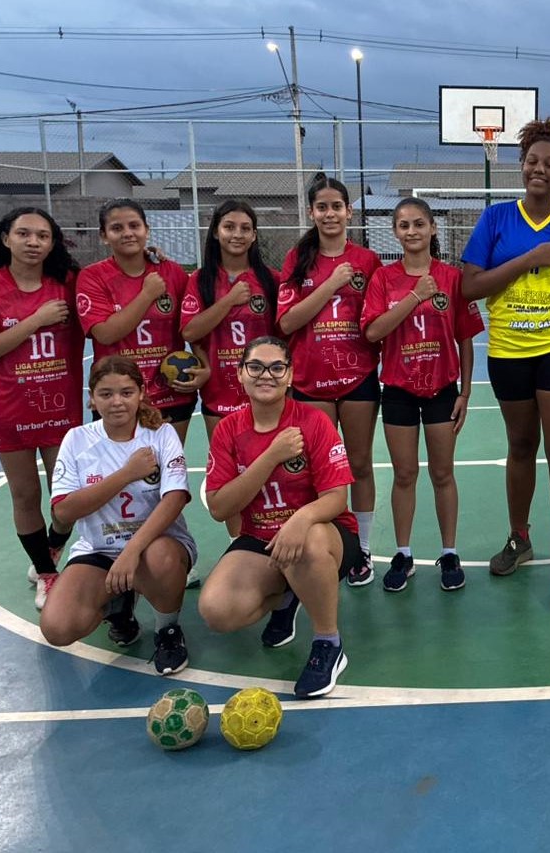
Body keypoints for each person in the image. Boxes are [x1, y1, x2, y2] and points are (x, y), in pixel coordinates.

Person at [461, 117, 550, 611]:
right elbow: (470, 287)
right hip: (508, 352)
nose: (540, 169)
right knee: (520, 445)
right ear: (521, 165)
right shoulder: (496, 220)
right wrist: (528, 260)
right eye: (533, 161)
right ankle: (520, 537)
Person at [197, 336, 358, 698]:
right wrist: (271, 456)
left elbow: (336, 498)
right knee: (216, 611)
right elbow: (220, 507)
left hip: (324, 537)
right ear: (240, 374)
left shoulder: (313, 421)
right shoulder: (228, 430)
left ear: (290, 375)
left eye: (276, 367)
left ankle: (328, 643)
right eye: (255, 366)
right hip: (261, 538)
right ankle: (289, 596)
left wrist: (300, 520)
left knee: (308, 541)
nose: (265, 375)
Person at [39, 356, 196, 675]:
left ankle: (167, 630)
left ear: (141, 394)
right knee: (57, 628)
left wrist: (132, 551)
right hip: (99, 549)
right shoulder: (77, 439)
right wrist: (126, 474)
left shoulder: (161, 434)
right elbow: (63, 511)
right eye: (106, 394)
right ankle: (119, 607)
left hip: (154, 545)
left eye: (126, 392)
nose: (117, 402)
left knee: (162, 557)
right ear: (92, 399)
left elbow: (175, 498)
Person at [361, 198, 482, 593]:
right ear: (395, 232)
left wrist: (465, 391)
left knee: (443, 473)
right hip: (398, 389)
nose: (411, 231)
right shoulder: (383, 279)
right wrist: (415, 296)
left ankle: (449, 552)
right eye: (403, 225)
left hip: (442, 390)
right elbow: (373, 332)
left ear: (433, 228)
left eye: (418, 223)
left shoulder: (452, 278)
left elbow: (465, 338)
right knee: (404, 474)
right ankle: (404, 553)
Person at [0, 207, 83, 610]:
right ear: (6, 238)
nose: (33, 242)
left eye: (42, 235)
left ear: (53, 243)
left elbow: (110, 284)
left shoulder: (67, 283)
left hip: (60, 408)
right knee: (25, 494)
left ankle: (51, 547)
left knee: (68, 497)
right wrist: (36, 320)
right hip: (9, 409)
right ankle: (47, 573)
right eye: (24, 233)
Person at [277, 174, 381, 584]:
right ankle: (317, 543)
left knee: (359, 464)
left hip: (357, 377)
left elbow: (376, 321)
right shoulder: (297, 260)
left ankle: (362, 549)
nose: (330, 213)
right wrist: (331, 283)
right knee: (315, 469)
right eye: (322, 207)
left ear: (349, 211)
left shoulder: (367, 261)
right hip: (310, 379)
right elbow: (287, 322)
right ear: (311, 212)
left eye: (337, 206)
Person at [180, 200, 280, 538]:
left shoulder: (270, 280)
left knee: (274, 471)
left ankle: (273, 539)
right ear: (215, 232)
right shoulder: (200, 280)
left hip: (265, 393)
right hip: (219, 395)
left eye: (245, 228)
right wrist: (229, 300)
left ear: (254, 235)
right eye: (229, 227)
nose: (237, 234)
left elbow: (283, 334)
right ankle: (241, 544)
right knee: (231, 475)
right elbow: (190, 331)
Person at [76, 199, 206, 446]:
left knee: (167, 465)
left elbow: (192, 326)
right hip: (118, 397)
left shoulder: (172, 272)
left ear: (147, 230)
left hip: (171, 392)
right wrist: (147, 294)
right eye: (117, 228)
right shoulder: (92, 277)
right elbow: (105, 334)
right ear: (104, 236)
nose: (127, 233)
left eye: (134, 226)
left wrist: (205, 366)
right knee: (120, 466)